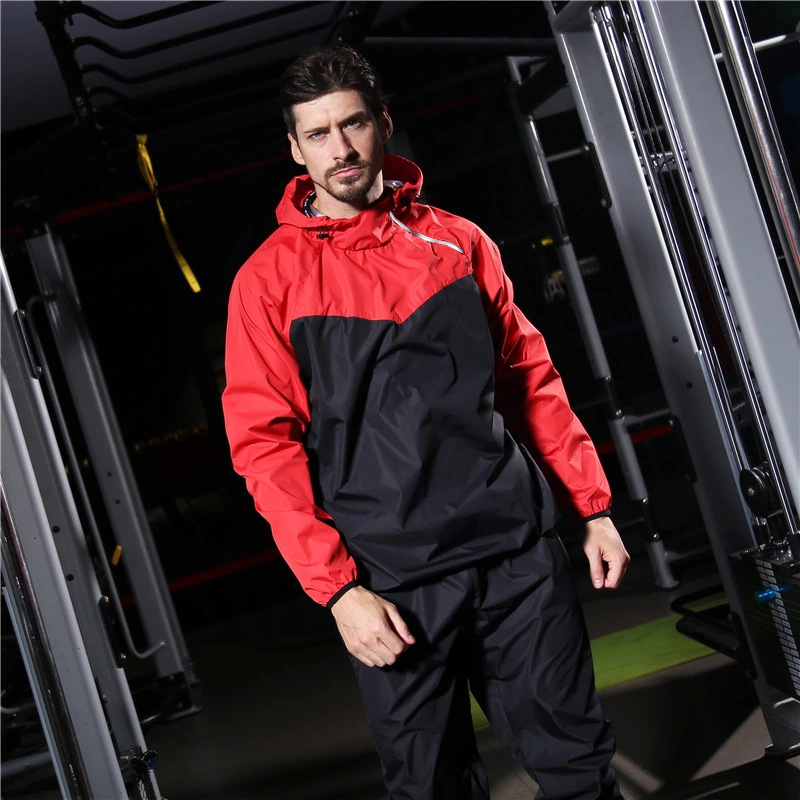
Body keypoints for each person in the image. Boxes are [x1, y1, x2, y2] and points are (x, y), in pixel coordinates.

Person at [222, 43, 630, 800]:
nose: (341, 149)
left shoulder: (459, 242)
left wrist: (592, 507)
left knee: (577, 764)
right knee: (431, 787)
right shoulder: (267, 282)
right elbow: (263, 448)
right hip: (390, 580)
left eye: (353, 124)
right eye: (318, 134)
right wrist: (338, 591)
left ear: (383, 124)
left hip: (514, 555)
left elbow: (528, 380)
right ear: (296, 149)